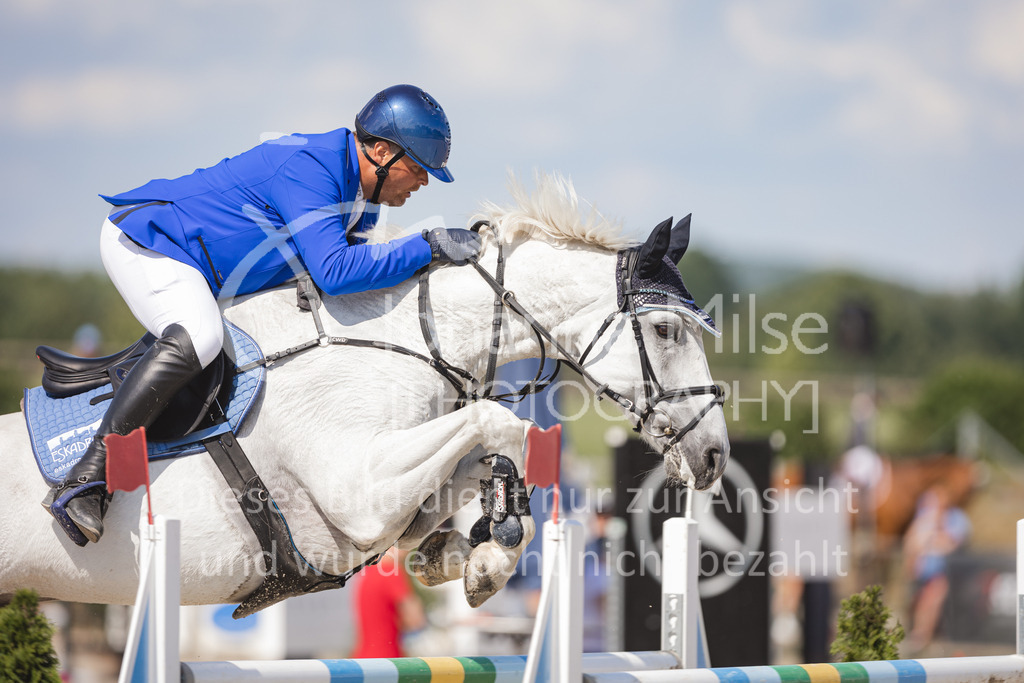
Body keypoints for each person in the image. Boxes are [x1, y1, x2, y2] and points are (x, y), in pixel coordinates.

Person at [43, 84, 483, 544]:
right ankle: (87, 478)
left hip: (203, 269)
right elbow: (335, 272)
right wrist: (427, 246)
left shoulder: (361, 201)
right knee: (201, 336)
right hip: (151, 241)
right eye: (419, 167)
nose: (423, 182)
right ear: (381, 151)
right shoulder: (312, 166)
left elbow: (353, 279)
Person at [350, 547, 426, 658]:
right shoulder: (391, 571)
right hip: (387, 658)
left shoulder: (366, 572)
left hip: (364, 657)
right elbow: (416, 620)